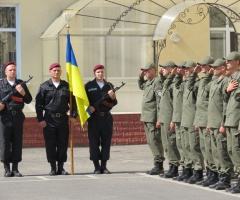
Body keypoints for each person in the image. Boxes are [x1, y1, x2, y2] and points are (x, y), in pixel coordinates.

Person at [35, 63, 77, 176]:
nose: (56, 72)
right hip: (49, 119)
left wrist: (73, 116)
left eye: (58, 70)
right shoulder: (44, 86)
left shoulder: (67, 86)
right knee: (50, 144)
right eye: (54, 70)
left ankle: (61, 167)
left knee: (63, 144)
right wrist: (40, 119)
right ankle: (53, 167)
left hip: (63, 118)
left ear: (61, 72)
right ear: (50, 72)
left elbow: (74, 102)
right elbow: (38, 104)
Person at [203, 58, 234, 189]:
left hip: (220, 122)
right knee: (215, 151)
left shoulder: (226, 81)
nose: (213, 69)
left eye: (215, 68)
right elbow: (206, 94)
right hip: (213, 122)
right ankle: (220, 176)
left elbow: (225, 104)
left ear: (222, 68)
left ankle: (226, 178)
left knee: (222, 151)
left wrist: (223, 123)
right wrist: (210, 122)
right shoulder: (215, 81)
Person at [0, 61, 32, 177]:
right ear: (5, 72)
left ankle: (15, 168)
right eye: (10, 70)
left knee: (17, 142)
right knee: (5, 142)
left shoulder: (21, 84)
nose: (12, 72)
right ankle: (7, 169)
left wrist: (23, 92)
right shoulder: (1, 84)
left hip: (18, 116)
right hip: (5, 116)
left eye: (14, 70)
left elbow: (28, 100)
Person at [85, 64, 117, 174]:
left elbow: (114, 103)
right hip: (94, 118)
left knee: (106, 142)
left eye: (102, 72)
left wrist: (112, 97)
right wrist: (88, 108)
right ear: (94, 73)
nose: (100, 74)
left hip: (106, 117)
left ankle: (104, 166)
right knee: (94, 142)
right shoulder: (89, 86)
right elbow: (83, 102)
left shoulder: (109, 85)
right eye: (98, 72)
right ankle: (96, 167)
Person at [188, 56, 215, 185]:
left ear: (211, 66)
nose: (202, 67)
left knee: (210, 148)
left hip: (208, 120)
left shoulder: (211, 80)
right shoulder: (201, 81)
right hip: (201, 119)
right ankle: (209, 174)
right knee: (204, 148)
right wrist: (194, 73)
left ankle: (213, 174)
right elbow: (190, 87)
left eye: (204, 65)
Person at [138, 62, 165, 175]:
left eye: (147, 70)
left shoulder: (157, 82)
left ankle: (159, 165)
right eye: (144, 71)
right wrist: (140, 77)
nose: (145, 73)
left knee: (155, 141)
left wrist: (159, 118)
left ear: (153, 70)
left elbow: (159, 101)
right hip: (147, 117)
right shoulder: (148, 82)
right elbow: (141, 86)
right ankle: (156, 163)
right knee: (150, 141)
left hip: (153, 117)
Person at [158, 61, 181, 178]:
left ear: (172, 69)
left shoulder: (174, 83)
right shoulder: (166, 82)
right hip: (163, 117)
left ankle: (175, 166)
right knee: (166, 143)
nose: (162, 70)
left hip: (170, 117)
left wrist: (173, 120)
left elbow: (176, 104)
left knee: (171, 142)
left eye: (165, 68)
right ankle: (171, 165)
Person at [222, 52, 240, 193]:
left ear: (237, 62)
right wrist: (227, 90)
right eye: (226, 60)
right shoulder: (232, 78)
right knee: (231, 150)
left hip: (236, 121)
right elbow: (226, 100)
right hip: (230, 120)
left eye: (230, 60)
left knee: (236, 150)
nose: (227, 63)